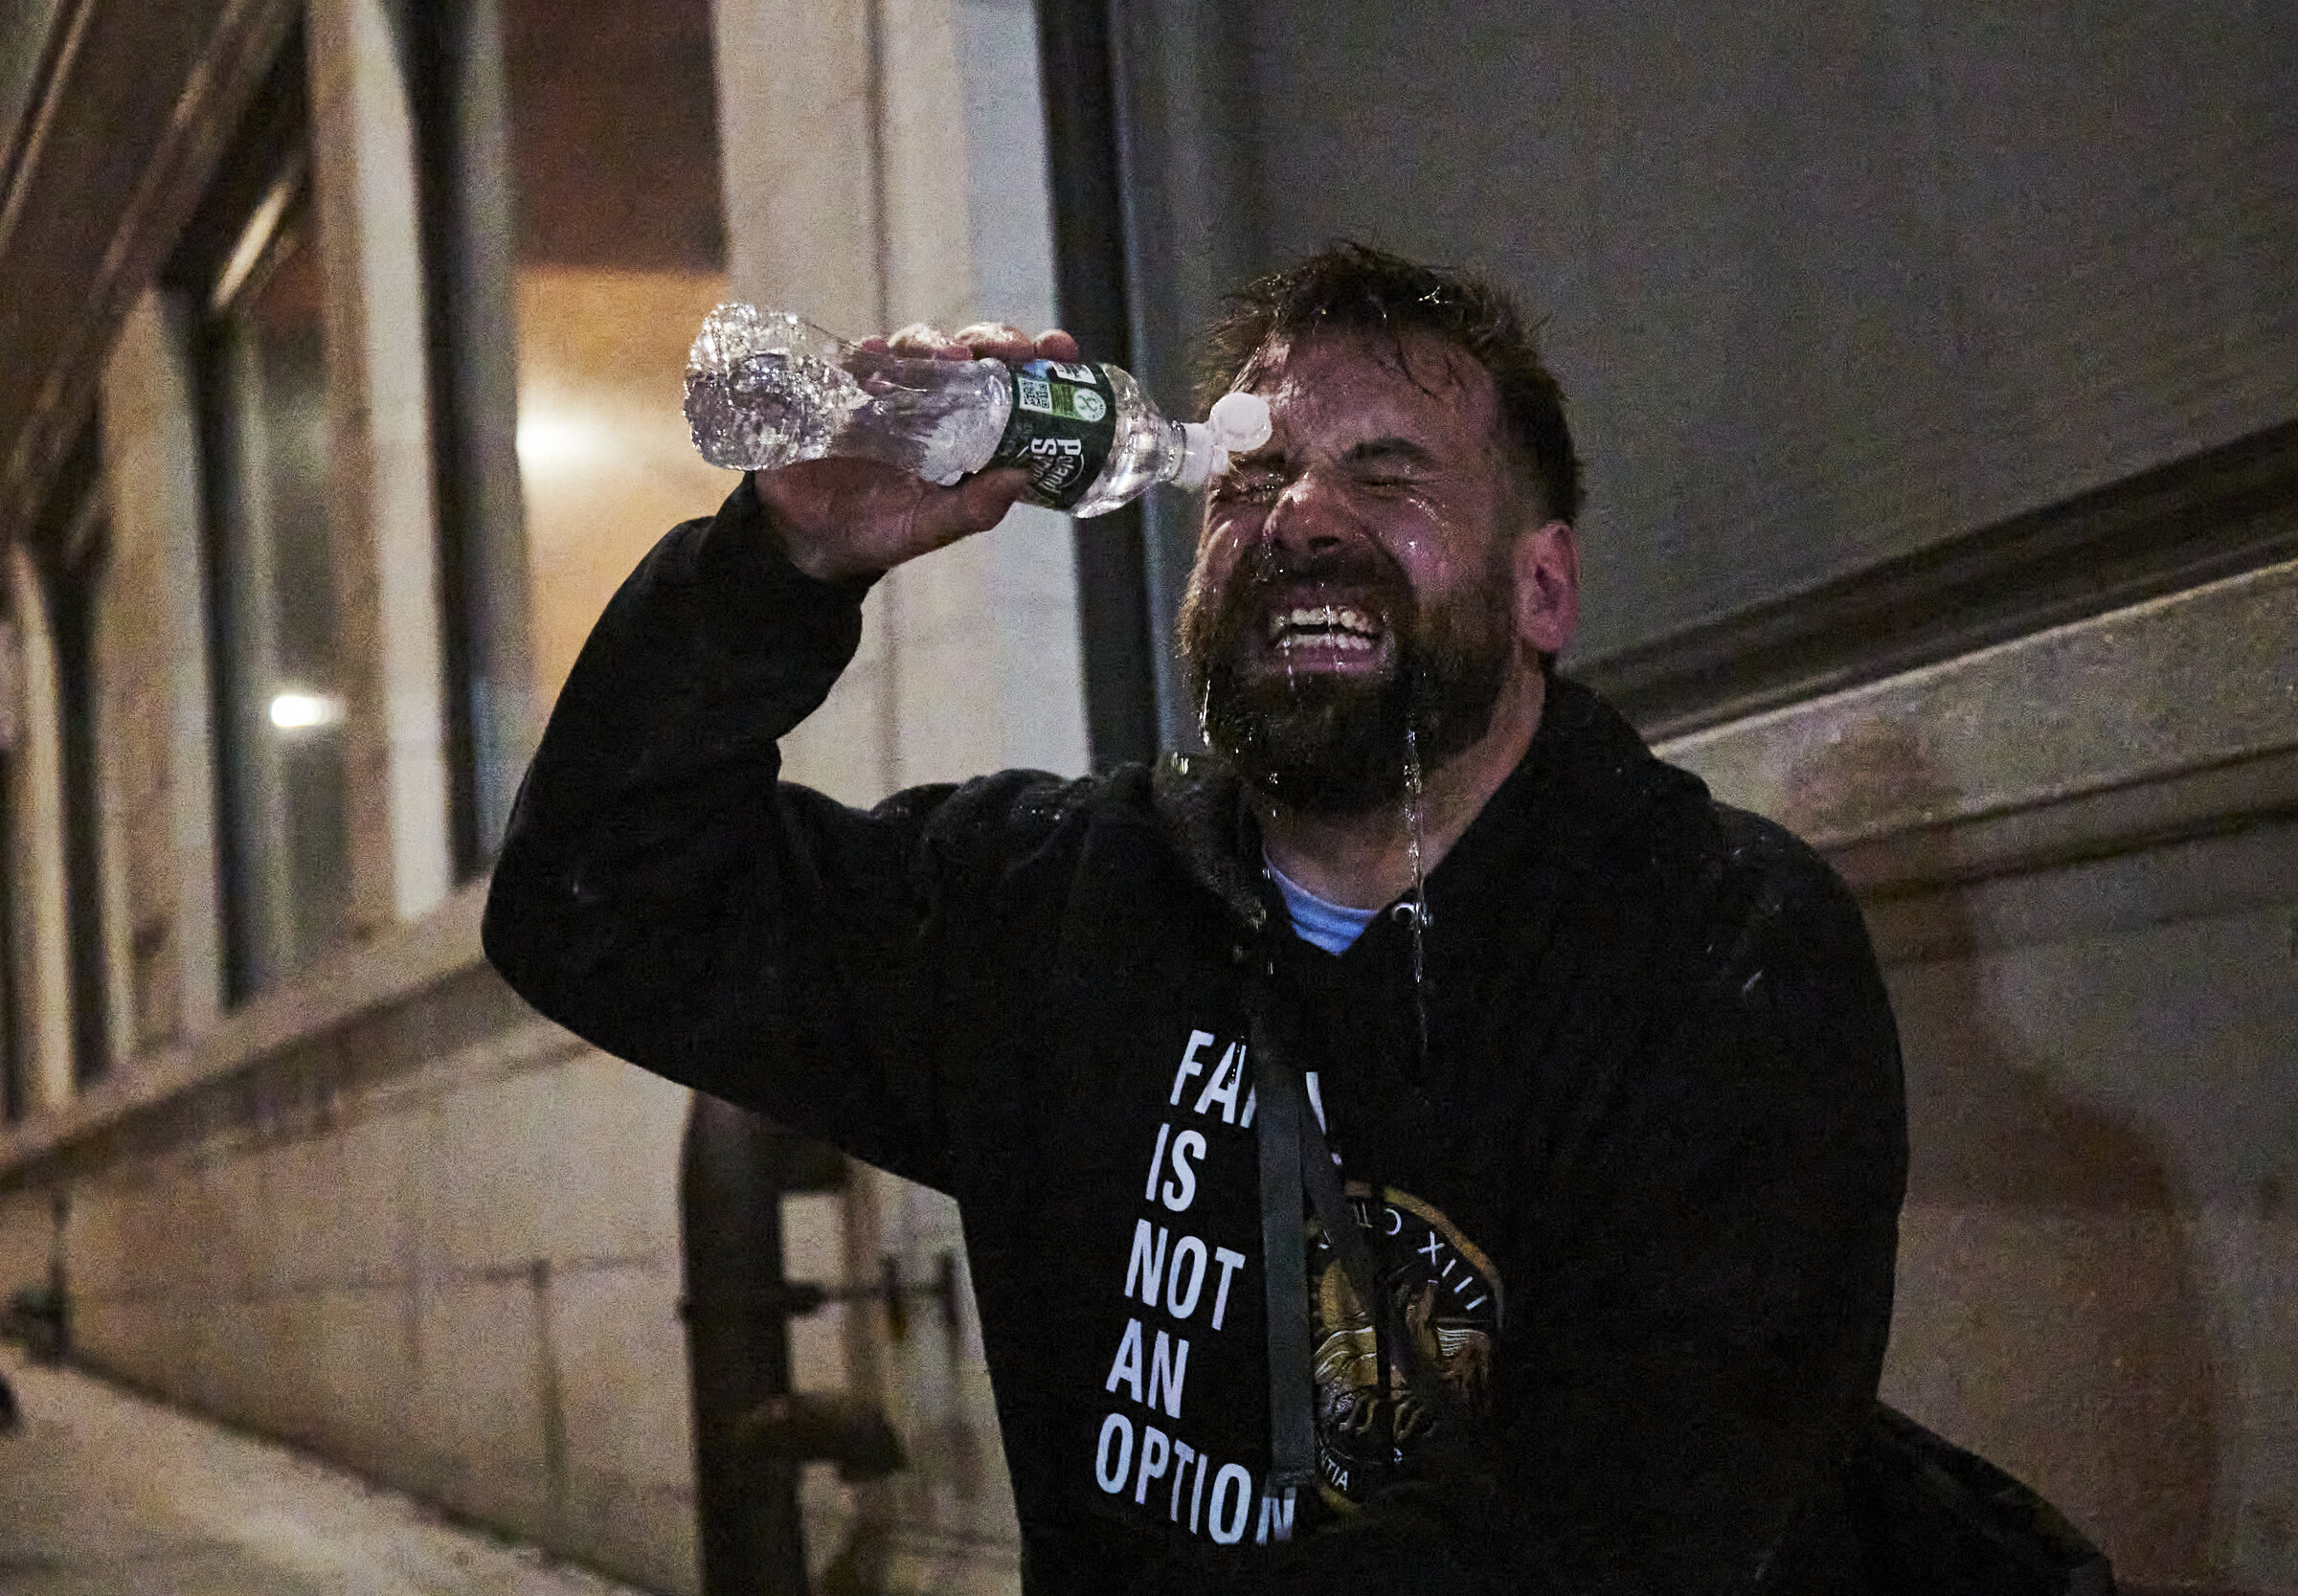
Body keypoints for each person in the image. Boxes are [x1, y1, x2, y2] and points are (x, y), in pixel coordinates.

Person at [484, 243, 1907, 1595]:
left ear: (1542, 587)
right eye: (1256, 474)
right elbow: (598, 903)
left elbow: (1631, 1544)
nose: (1301, 517)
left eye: (1389, 475)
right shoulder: (1058, 907)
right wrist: (784, 560)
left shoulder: (1719, 953)